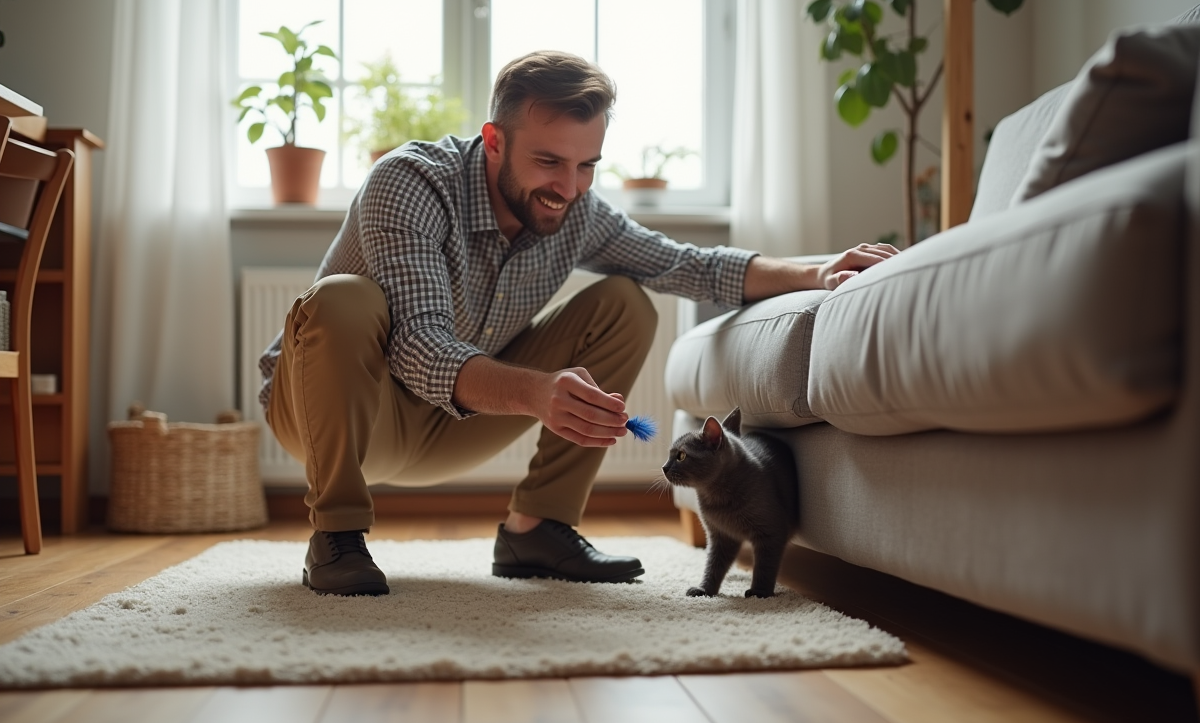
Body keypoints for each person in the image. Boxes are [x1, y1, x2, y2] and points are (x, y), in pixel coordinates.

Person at [258, 50, 899, 596]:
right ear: (494, 140)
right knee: (343, 299)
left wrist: (817, 274)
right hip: (336, 413)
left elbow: (687, 265)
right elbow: (422, 343)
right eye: (549, 163)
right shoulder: (411, 183)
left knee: (625, 301)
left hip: (449, 422)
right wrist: (537, 392)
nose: (567, 187)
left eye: (586, 165)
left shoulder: (575, 208)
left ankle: (537, 531)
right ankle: (336, 536)